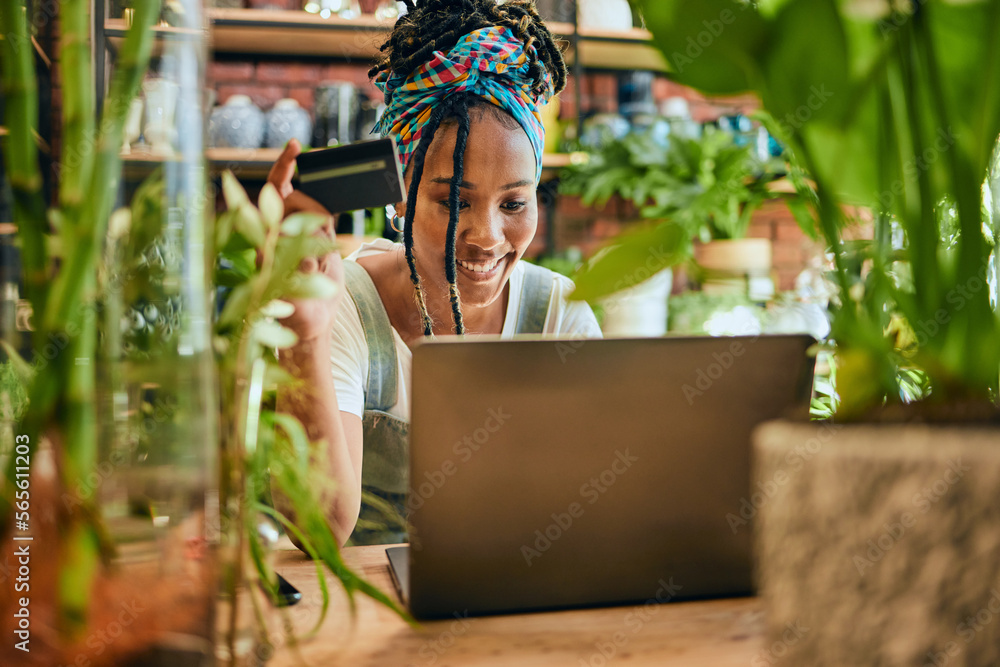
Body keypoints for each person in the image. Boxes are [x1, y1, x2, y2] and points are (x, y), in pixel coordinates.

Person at [269, 0, 601, 547]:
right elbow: (316, 530)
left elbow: (599, 514)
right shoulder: (345, 305)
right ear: (402, 195)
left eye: (514, 204)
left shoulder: (559, 314)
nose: (487, 236)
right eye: (453, 201)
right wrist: (305, 336)